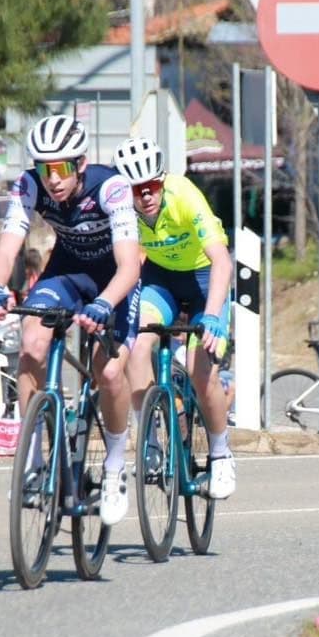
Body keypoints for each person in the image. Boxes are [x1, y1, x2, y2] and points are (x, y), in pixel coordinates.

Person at [0, 115, 141, 525]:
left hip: (114, 281)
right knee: (31, 342)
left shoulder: (112, 188)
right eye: (43, 168)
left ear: (81, 164)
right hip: (66, 271)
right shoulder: (30, 186)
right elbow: (7, 249)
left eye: (62, 168)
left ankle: (115, 467)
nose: (52, 179)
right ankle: (33, 460)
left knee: (108, 374)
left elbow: (129, 266)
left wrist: (105, 303)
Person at [116, 137, 236, 499]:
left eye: (152, 186)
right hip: (162, 279)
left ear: (162, 182)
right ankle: (150, 442)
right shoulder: (121, 210)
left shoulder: (184, 196)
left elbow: (222, 260)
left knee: (203, 374)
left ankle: (221, 453)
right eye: (138, 190)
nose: (146, 196)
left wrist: (213, 315)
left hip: (203, 282)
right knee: (136, 346)